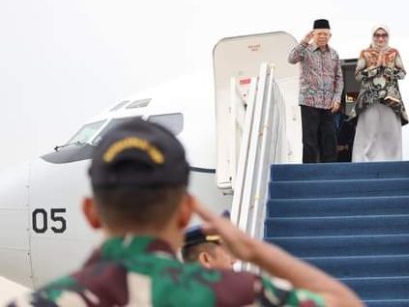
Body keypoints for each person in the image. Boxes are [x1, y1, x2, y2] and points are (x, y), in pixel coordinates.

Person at [10, 119, 361, 307]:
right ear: (184, 213)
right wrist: (254, 251)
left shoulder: (39, 302)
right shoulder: (242, 295)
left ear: (91, 212)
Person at [288, 19, 344, 163]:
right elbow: (291, 59)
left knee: (330, 138)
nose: (322, 37)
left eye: (326, 34)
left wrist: (337, 99)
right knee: (310, 140)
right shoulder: (305, 51)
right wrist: (305, 41)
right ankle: (309, 171)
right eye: (319, 34)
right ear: (314, 34)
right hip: (309, 102)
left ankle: (330, 170)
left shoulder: (334, 54)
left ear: (330, 35)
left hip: (328, 104)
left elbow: (339, 78)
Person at [351, 25, 408, 162]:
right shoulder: (365, 53)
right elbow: (358, 75)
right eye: (377, 35)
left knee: (391, 131)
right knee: (369, 131)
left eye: (384, 35)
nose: (380, 38)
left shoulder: (394, 53)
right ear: (373, 36)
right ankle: (365, 161)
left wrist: (387, 69)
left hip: (390, 98)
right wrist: (376, 68)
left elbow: (402, 73)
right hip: (369, 98)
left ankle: (393, 161)